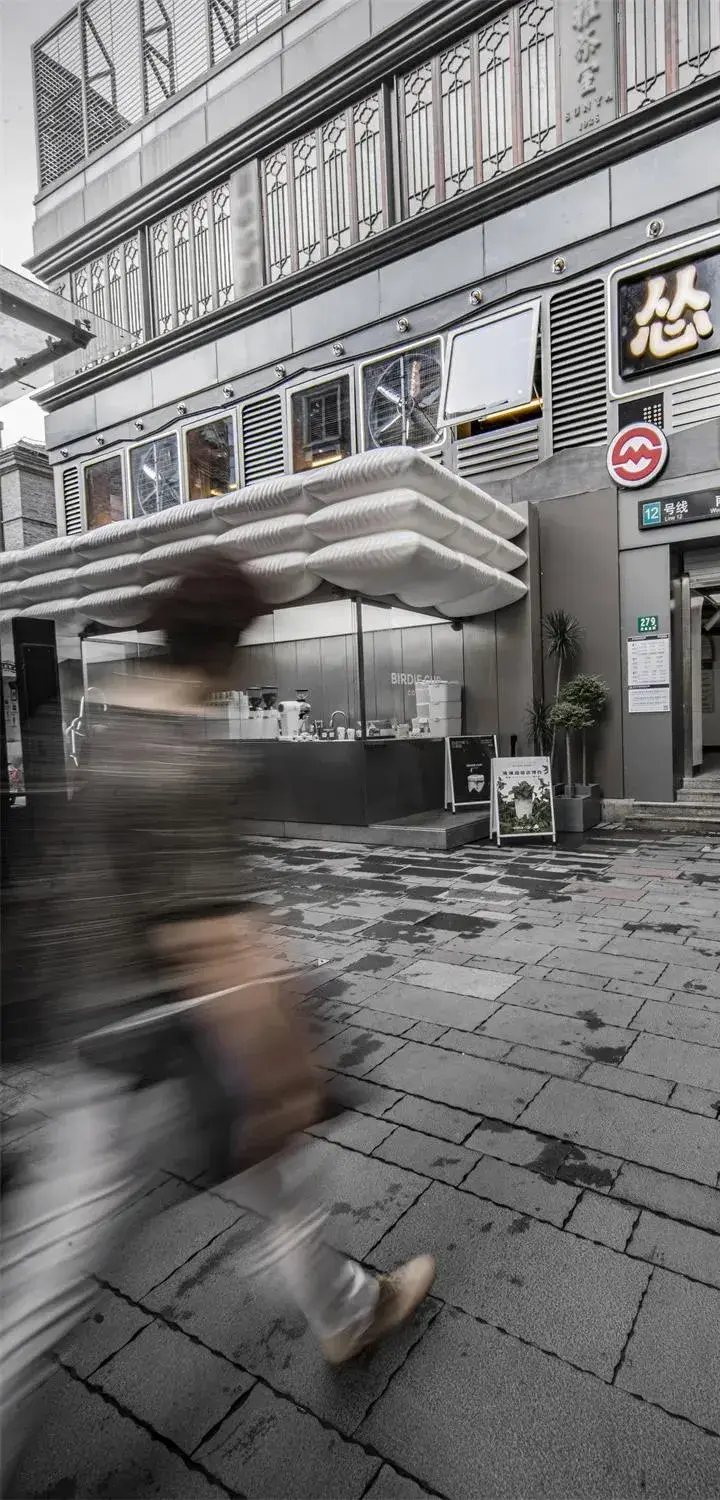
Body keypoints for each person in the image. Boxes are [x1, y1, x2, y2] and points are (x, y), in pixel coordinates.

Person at [0, 556, 435, 1480]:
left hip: (97, 1016)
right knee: (59, 1268)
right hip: (165, 1040)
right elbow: (218, 941)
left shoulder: (111, 721)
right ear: (233, 644)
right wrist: (286, 1069)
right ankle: (351, 1312)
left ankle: (350, 1310)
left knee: (267, 1190)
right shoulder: (191, 754)